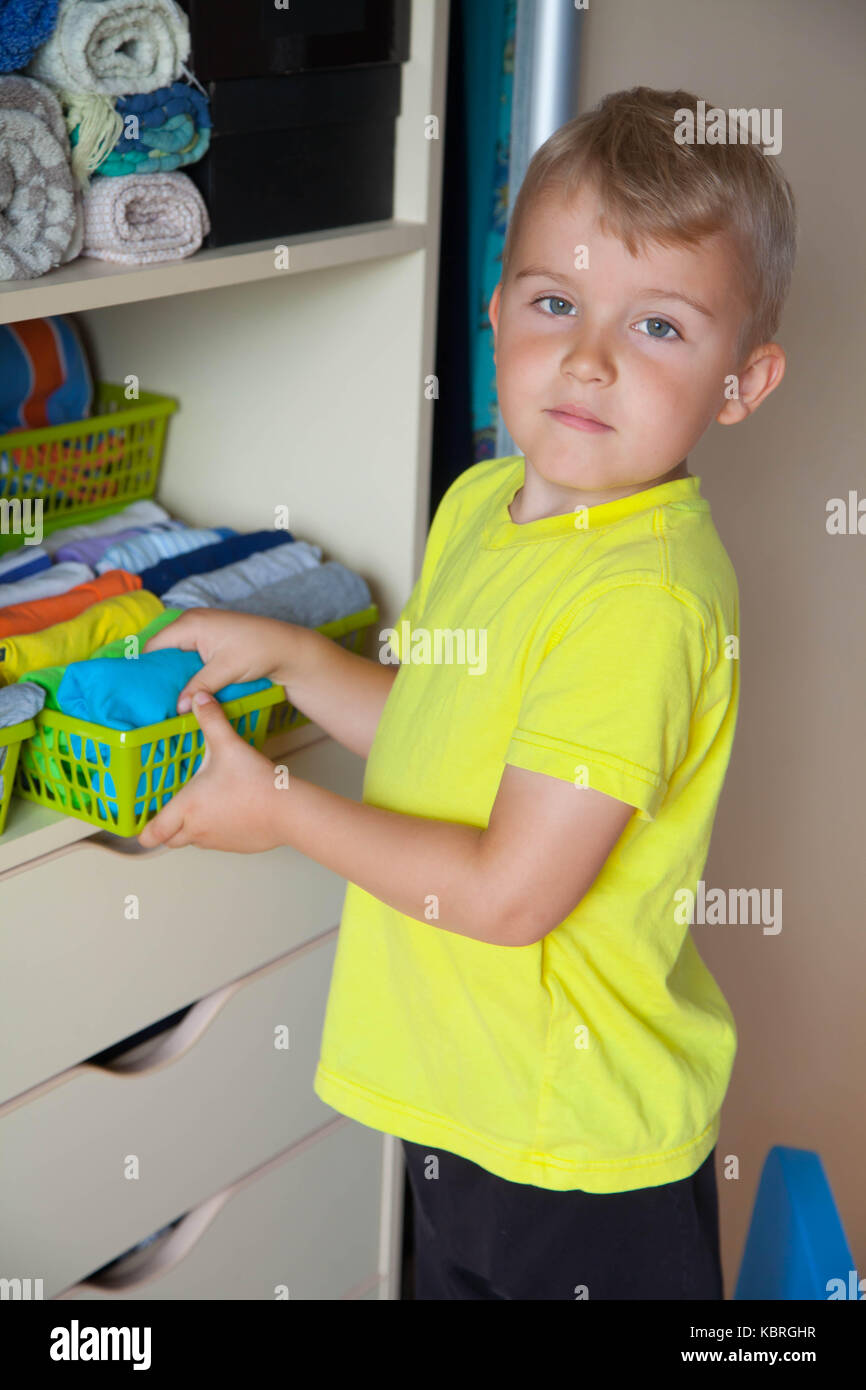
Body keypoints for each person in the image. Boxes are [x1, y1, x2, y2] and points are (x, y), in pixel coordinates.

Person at [138, 85, 798, 1301]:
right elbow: (444, 740)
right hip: (463, 1107)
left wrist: (280, 805)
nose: (586, 357)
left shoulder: (640, 602)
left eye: (657, 328)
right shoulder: (481, 508)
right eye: (555, 303)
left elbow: (506, 893)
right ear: (496, 310)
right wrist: (295, 660)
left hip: (577, 1158)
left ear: (738, 384)